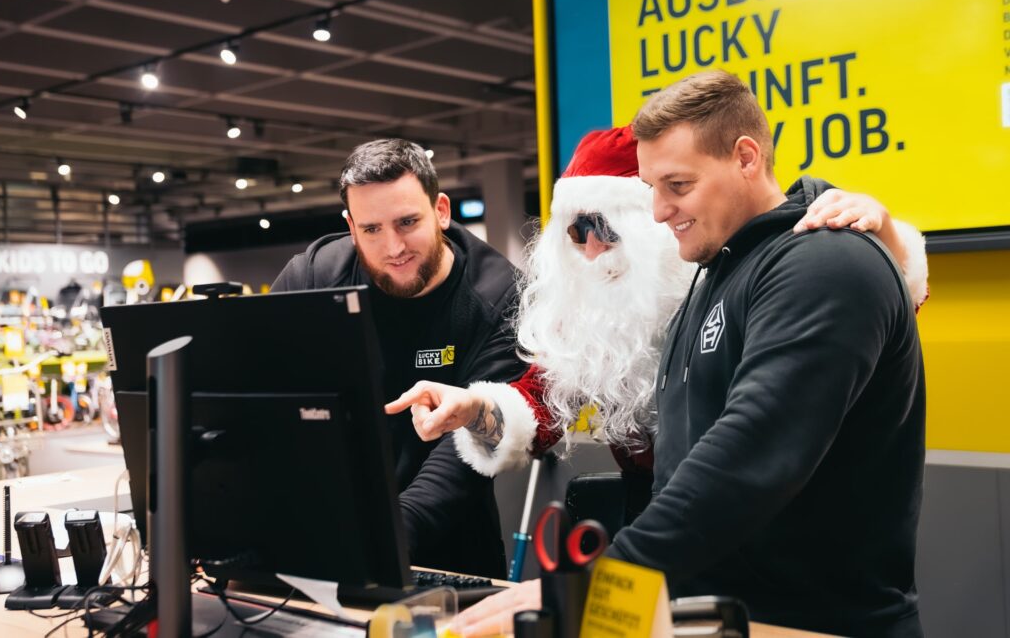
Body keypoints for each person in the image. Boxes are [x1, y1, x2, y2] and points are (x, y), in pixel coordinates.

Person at [393, 74, 927, 636]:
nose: (657, 211)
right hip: (714, 611)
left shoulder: (823, 265)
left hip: (814, 623)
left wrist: (602, 584)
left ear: (746, 157)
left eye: (677, 184)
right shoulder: (714, 273)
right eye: (650, 188)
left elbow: (750, 455)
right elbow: (561, 402)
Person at [270, 139, 525, 578]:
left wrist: (378, 542)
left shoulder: (500, 297)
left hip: (447, 556)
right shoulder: (315, 277)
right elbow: (252, 389)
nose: (393, 248)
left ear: (441, 210)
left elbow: (464, 454)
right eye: (371, 229)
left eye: (407, 222)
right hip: (323, 535)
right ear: (351, 227)